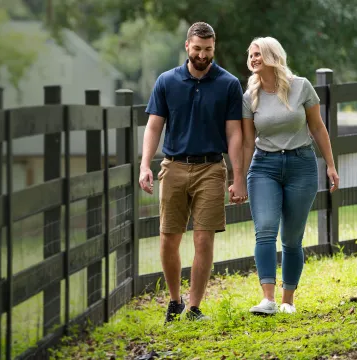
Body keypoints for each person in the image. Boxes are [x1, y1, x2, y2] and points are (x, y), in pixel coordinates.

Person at [139, 22, 247, 323]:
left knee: (203, 239)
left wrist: (238, 178)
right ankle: (175, 301)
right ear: (187, 46)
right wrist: (144, 164)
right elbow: (154, 126)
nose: (202, 55)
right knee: (168, 238)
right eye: (197, 49)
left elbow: (235, 134)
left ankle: (195, 307)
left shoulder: (228, 84)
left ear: (215, 48)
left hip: (211, 168)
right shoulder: (166, 81)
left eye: (208, 50)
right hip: (173, 166)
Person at [241, 37, 340, 315]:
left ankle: (288, 301)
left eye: (258, 53)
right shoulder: (250, 97)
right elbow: (248, 143)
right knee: (266, 230)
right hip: (263, 168)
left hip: (301, 165)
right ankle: (268, 299)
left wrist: (331, 166)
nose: (253, 58)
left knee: (292, 238)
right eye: (251, 55)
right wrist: (240, 178)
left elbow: (318, 128)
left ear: (272, 55)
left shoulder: (301, 87)